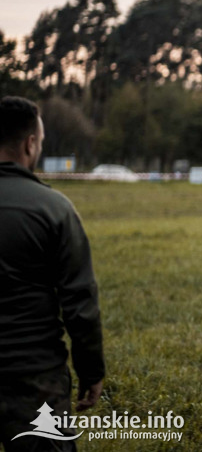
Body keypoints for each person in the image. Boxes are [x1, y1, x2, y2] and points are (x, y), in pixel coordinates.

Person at [0, 96, 105, 449]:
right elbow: (80, 301)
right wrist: (91, 370)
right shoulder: (54, 209)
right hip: (35, 376)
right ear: (30, 144)